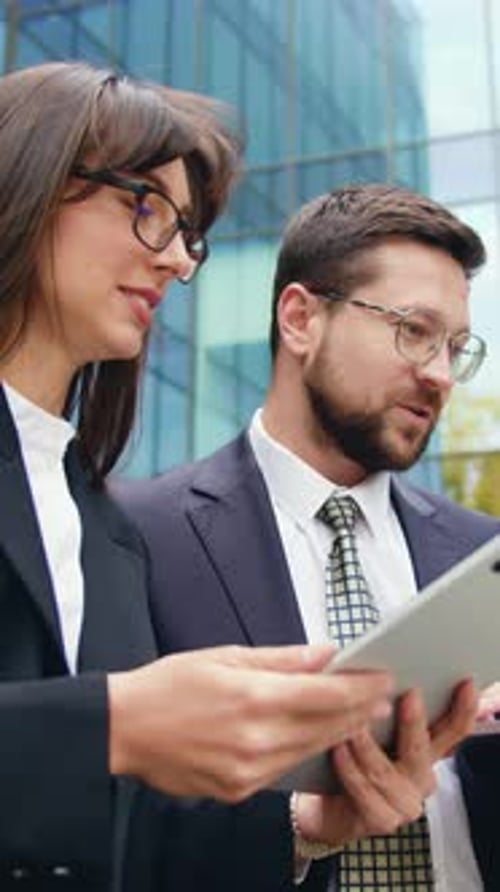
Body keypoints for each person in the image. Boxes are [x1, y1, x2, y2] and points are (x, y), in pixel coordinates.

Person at [0, 65, 403, 891]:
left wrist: (309, 825)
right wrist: (111, 724)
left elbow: (117, 843)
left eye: (189, 232)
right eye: (146, 207)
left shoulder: (105, 526)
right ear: (30, 176)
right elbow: (94, 748)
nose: (181, 262)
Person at [118, 184, 500, 891]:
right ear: (300, 319)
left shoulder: (487, 555)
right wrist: (298, 827)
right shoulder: (135, 537)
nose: (440, 375)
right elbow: (113, 828)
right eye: (413, 330)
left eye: (454, 347)